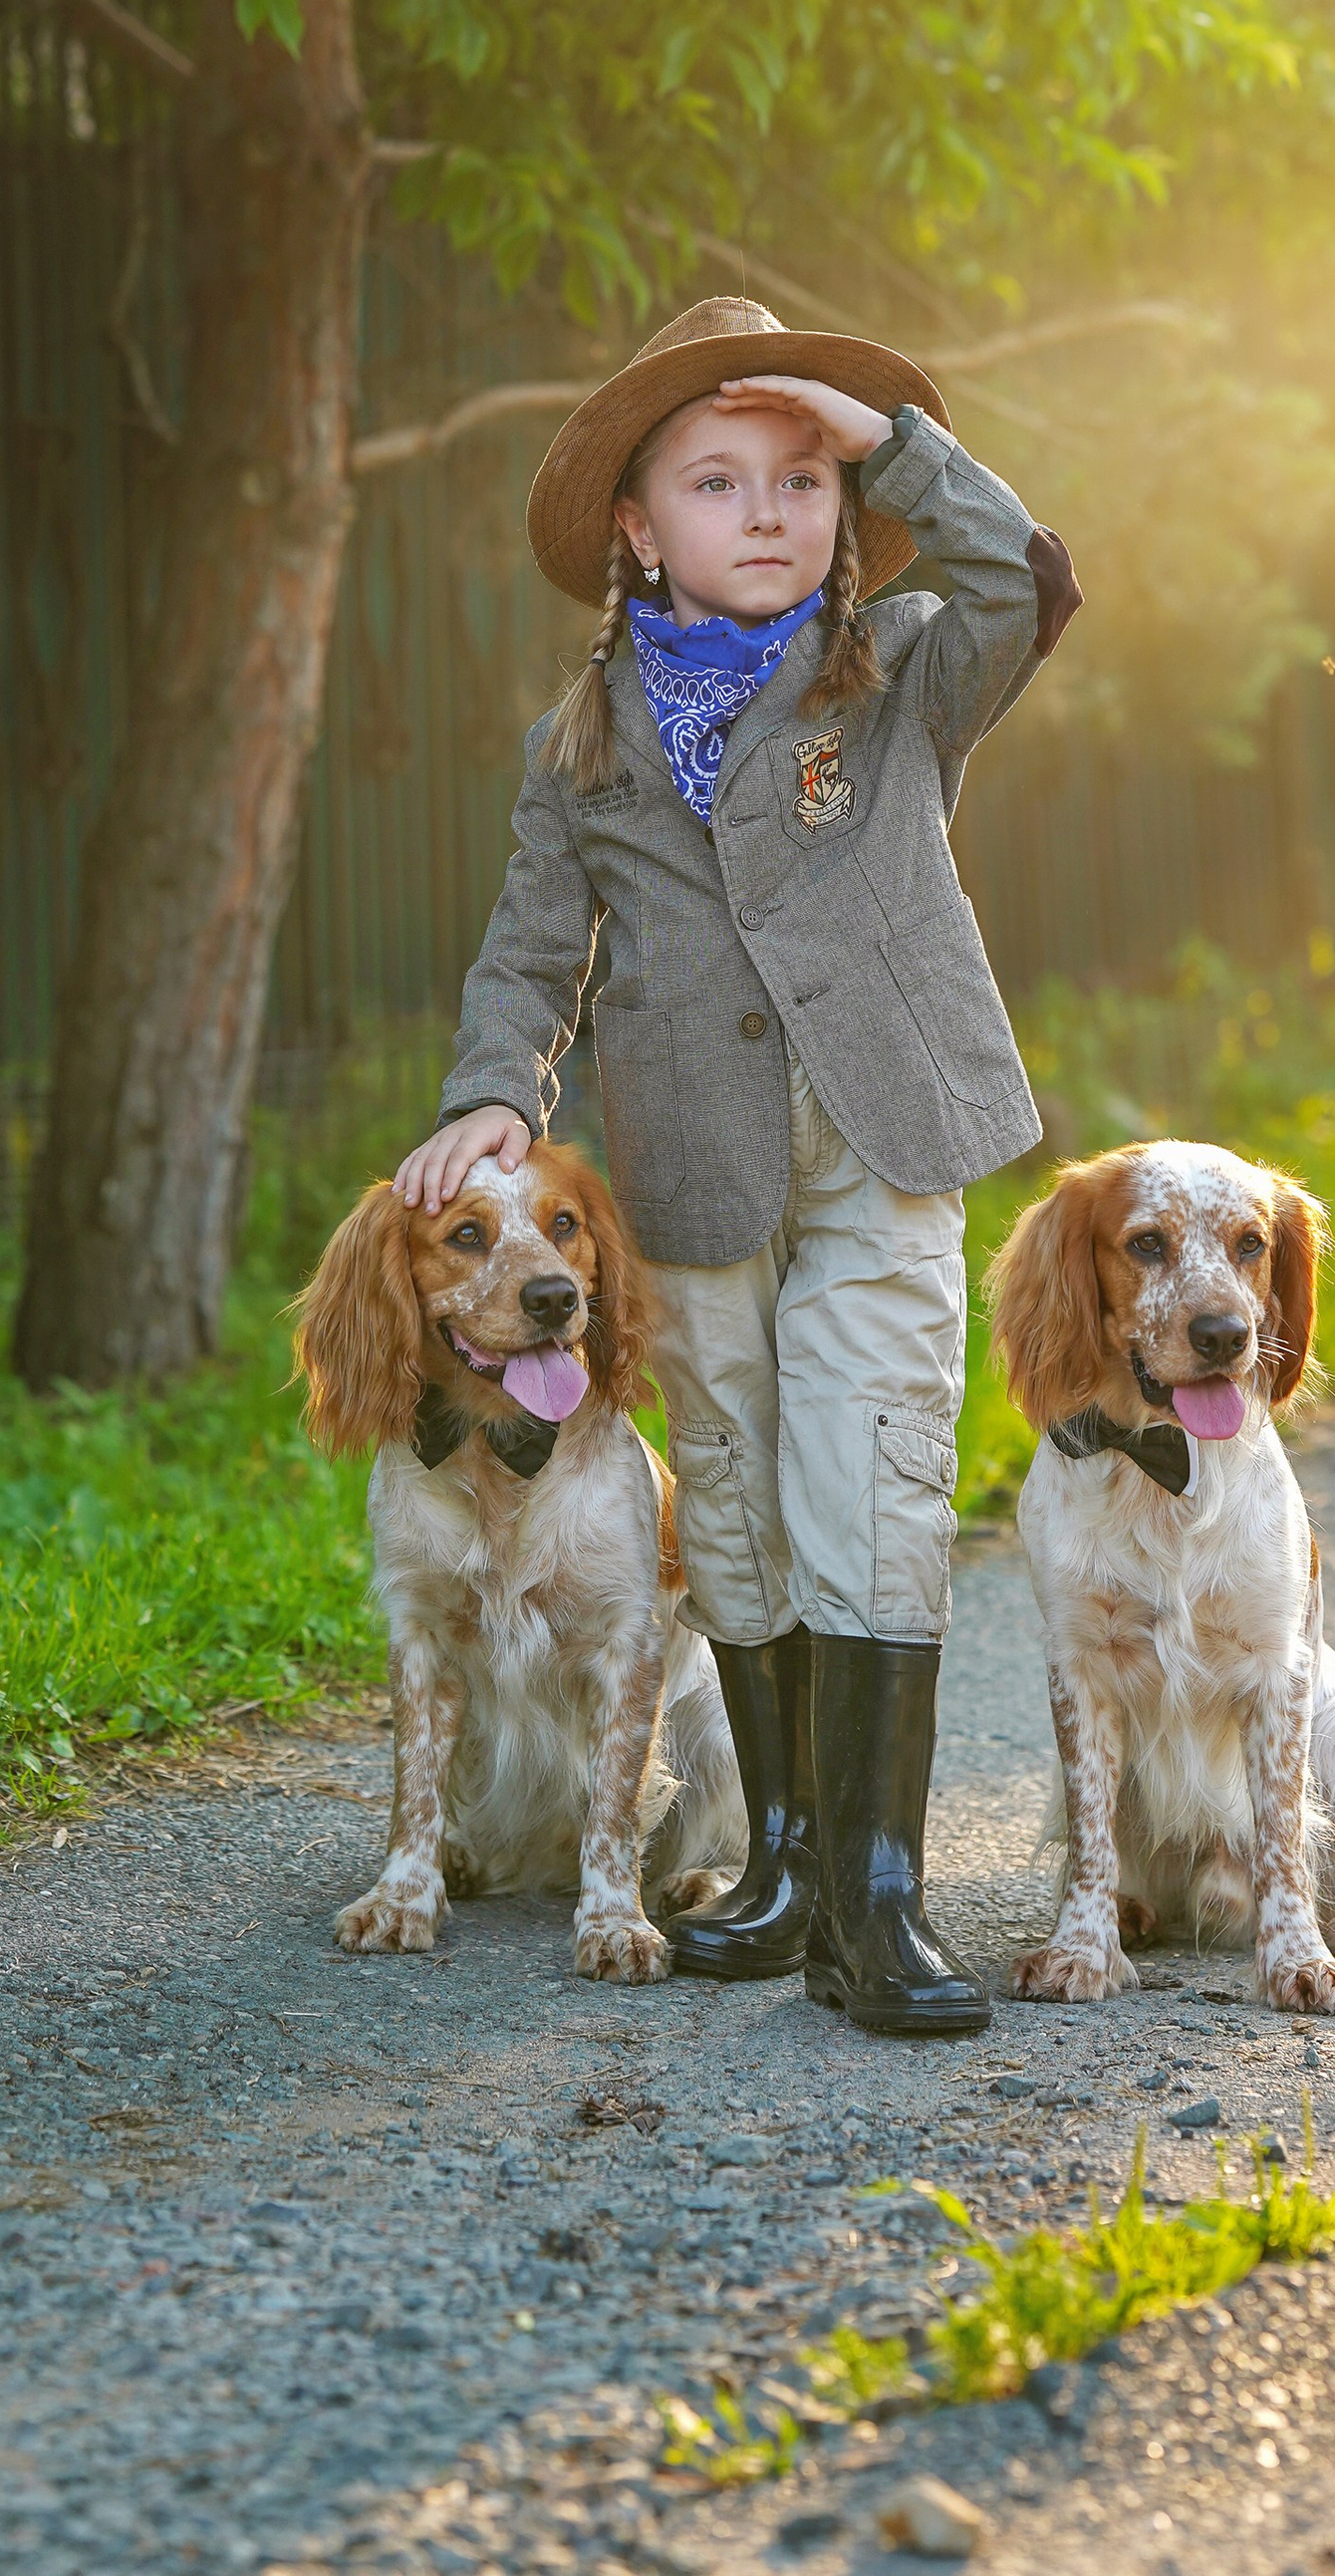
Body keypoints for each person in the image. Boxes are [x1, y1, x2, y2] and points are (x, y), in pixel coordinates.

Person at [394, 295, 1079, 2036]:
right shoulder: (588, 748)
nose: (768, 511)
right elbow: (531, 955)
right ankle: (777, 1854)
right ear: (637, 529)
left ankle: (878, 1894)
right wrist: (492, 1090)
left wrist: (896, 443)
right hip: (694, 1165)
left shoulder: (911, 665)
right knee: (747, 1484)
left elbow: (1031, 580)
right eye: (717, 480)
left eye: (800, 479)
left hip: (888, 1134)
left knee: (875, 1466)